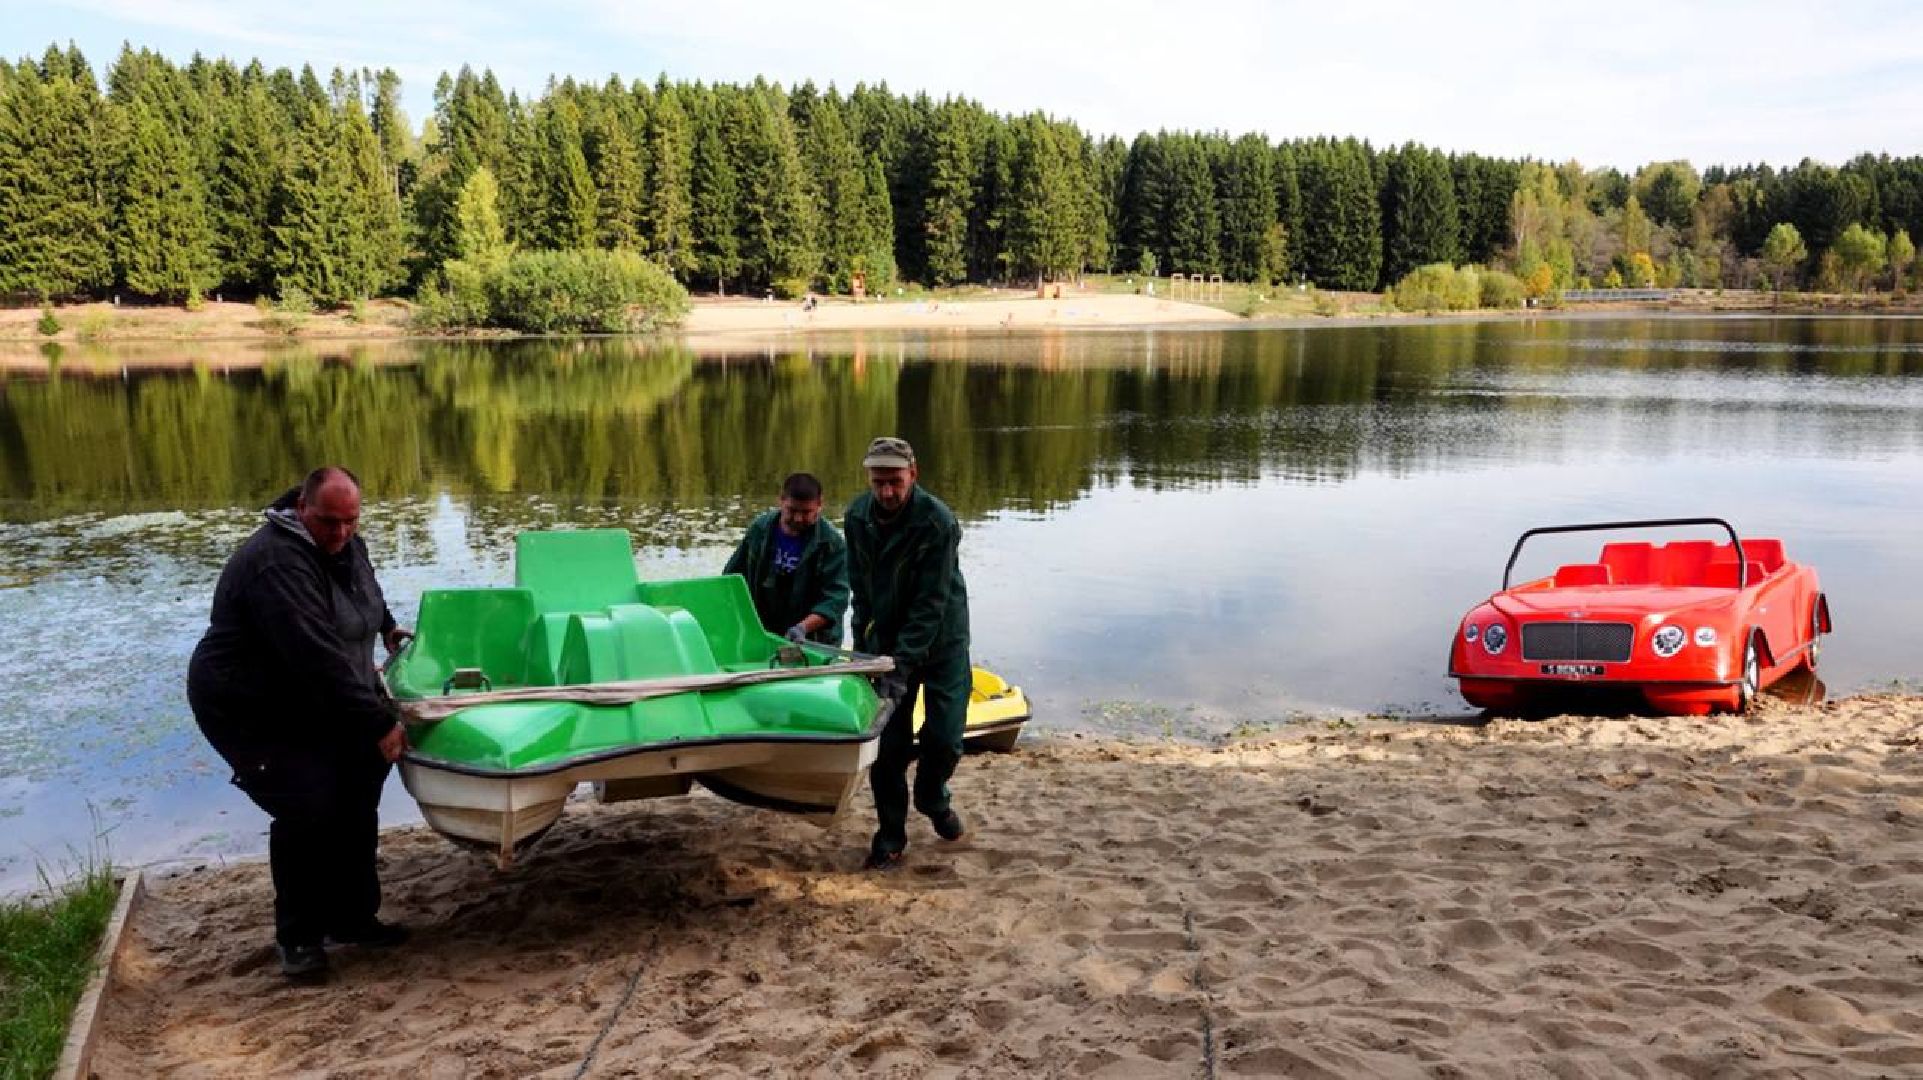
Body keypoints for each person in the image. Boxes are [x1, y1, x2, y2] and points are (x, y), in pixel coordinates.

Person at [186, 466, 413, 981]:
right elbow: (316, 657)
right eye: (329, 523)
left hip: (315, 695)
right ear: (302, 508)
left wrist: (386, 626)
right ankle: (299, 940)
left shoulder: (346, 541)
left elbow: (363, 593)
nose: (341, 534)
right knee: (308, 806)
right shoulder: (275, 562)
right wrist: (380, 721)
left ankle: (354, 918)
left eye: (351, 522)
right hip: (251, 704)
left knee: (358, 788)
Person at [844, 437, 972, 870]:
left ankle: (933, 797)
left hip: (942, 642)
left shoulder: (937, 522)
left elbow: (931, 603)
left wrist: (905, 660)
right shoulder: (856, 517)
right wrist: (864, 651)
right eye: (879, 482)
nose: (887, 492)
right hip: (885, 644)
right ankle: (891, 835)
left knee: (946, 737)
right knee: (888, 746)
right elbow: (860, 591)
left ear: (913, 475)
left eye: (895, 481)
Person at [722, 472, 850, 645]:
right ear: (781, 500)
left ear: (820, 505)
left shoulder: (832, 544)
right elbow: (731, 580)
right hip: (764, 632)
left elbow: (836, 599)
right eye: (792, 510)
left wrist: (802, 628)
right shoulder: (759, 530)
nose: (798, 518)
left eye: (806, 512)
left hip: (814, 640)